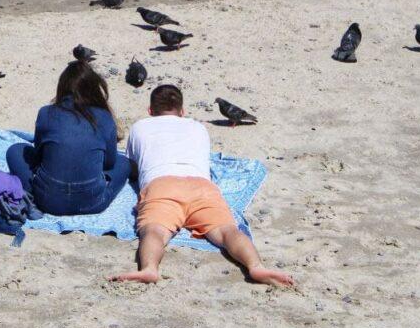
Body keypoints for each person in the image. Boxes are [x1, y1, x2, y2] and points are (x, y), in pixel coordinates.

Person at [110, 84, 294, 287]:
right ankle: (256, 266)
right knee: (228, 232)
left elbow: (133, 167)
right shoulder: (198, 127)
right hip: (201, 187)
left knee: (154, 231)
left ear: (150, 111)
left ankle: (149, 269)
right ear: (182, 111)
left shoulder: (140, 127)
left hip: (162, 185)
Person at [6, 60, 134, 215]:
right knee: (124, 163)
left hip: (47, 202)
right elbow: (109, 162)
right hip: (92, 203)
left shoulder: (46, 113)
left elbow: (39, 155)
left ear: (62, 88)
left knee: (15, 150)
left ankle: (30, 192)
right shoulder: (104, 116)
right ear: (94, 90)